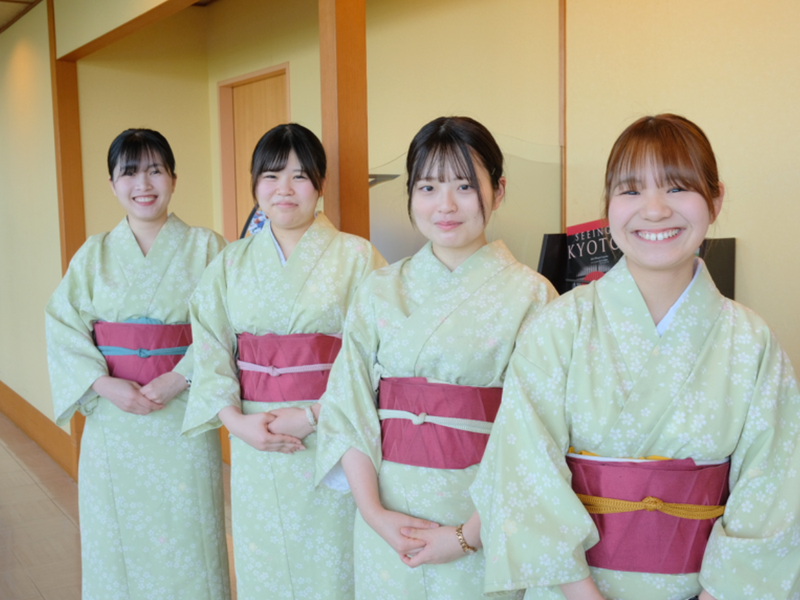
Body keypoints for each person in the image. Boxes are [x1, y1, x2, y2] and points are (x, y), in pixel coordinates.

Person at [472, 114, 800, 600]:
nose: (654, 210)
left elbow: (775, 494)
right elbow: (522, 468)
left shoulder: (751, 341)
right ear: (608, 205)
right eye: (630, 191)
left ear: (715, 200)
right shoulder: (559, 326)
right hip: (570, 588)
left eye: (677, 188)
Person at [315, 116, 558, 600]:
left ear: (498, 190)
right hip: (387, 519)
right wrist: (374, 514)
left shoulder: (532, 296)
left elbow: (538, 436)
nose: (445, 205)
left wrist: (468, 535)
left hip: (482, 517)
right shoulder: (379, 289)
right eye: (427, 187)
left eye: (464, 186)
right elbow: (347, 407)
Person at [181, 123, 386, 600]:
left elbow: (377, 355)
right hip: (256, 433)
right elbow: (210, 348)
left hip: (332, 430)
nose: (284, 189)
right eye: (271, 176)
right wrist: (236, 422)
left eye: (299, 176)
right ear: (255, 184)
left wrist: (313, 415)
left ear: (320, 184)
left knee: (332, 565)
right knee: (264, 559)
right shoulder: (230, 262)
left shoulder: (357, 257)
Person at [45, 129, 230, 600]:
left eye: (155, 170)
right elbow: (62, 326)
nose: (143, 184)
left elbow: (227, 326)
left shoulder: (208, 247)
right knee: (116, 535)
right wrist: (103, 384)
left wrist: (180, 376)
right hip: (114, 419)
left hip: (182, 413)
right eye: (129, 172)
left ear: (173, 179)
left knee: (189, 533)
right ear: (112, 184)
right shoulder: (94, 253)